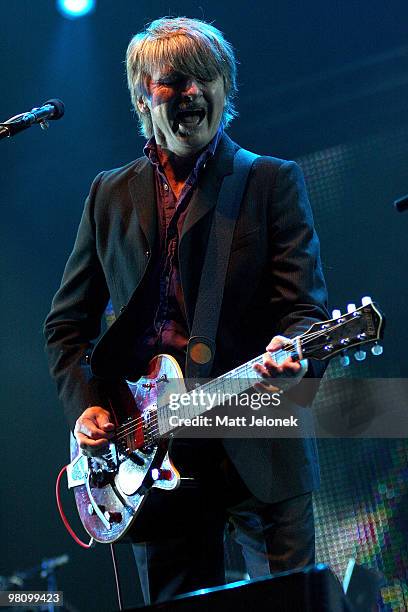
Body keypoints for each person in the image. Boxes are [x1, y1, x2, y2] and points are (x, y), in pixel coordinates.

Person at [44, 17, 329, 605]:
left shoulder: (270, 182)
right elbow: (67, 326)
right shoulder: (109, 195)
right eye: (174, 82)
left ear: (226, 90)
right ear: (144, 97)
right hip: (148, 461)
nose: (193, 93)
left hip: (257, 440)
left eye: (207, 78)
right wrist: (90, 407)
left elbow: (304, 310)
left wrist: (294, 356)